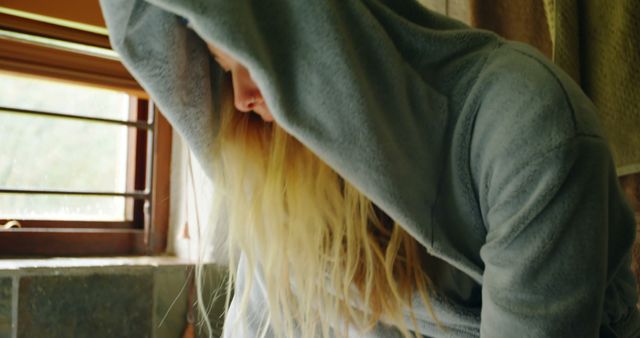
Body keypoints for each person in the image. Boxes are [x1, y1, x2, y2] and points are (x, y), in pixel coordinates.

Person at [100, 0, 640, 337]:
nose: (239, 97)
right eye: (223, 68)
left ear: (318, 35)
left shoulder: (529, 132)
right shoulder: (279, 154)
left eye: (254, 63)